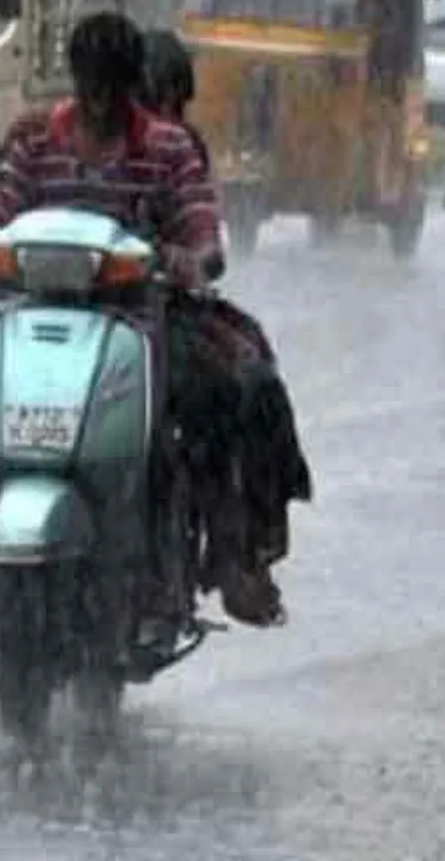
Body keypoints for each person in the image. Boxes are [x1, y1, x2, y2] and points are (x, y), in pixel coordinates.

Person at [0, 11, 287, 627]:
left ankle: (226, 556)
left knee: (220, 394)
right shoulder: (35, 140)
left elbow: (201, 231)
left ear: (129, 85)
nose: (98, 106)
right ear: (75, 80)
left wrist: (193, 259)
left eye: (111, 91)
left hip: (139, 325)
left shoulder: (168, 150)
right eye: (89, 88)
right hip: (32, 320)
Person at [137, 28, 314, 570]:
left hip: (158, 309)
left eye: (163, 99)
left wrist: (184, 257)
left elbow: (201, 229)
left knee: (246, 377)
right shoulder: (67, 143)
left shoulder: (179, 150)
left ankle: (243, 546)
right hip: (81, 310)